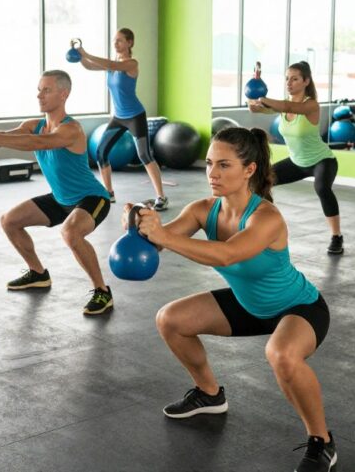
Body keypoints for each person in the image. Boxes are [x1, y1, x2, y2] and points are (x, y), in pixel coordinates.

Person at [131, 126, 336, 472]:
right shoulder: (202, 209)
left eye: (224, 165)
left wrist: (163, 235)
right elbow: (160, 242)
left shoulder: (266, 216)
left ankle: (322, 442)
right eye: (210, 163)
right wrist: (139, 222)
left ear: (249, 170)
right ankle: (209, 393)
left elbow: (228, 255)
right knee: (170, 320)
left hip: (298, 309)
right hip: (247, 305)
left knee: (281, 354)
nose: (212, 173)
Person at [0, 70, 114, 315]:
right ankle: (38, 273)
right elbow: (4, 138)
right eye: (39, 90)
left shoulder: (72, 130)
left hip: (91, 198)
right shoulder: (34, 125)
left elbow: (37, 143)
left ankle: (102, 291)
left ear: (64, 94)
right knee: (9, 221)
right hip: (60, 199)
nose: (39, 95)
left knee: (70, 234)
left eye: (46, 90)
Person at [248, 61, 344, 255]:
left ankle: (336, 236)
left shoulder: (310, 105)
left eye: (294, 79)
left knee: (322, 188)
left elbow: (286, 105)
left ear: (306, 81)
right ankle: (266, 229)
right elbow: (256, 109)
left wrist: (264, 97)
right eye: (286, 79)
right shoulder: (283, 107)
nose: (289, 83)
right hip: (296, 162)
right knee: (259, 182)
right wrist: (253, 94)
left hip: (321, 160)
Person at [74, 28, 169, 211]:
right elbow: (89, 66)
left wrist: (86, 53)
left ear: (130, 43)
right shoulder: (113, 64)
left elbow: (111, 64)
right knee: (101, 152)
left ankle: (161, 196)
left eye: (119, 40)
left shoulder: (131, 64)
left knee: (144, 155)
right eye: (114, 40)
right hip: (118, 117)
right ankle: (109, 193)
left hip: (135, 116)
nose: (115, 43)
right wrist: (79, 54)